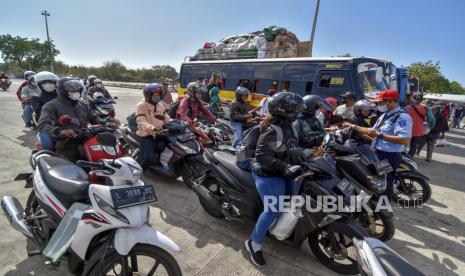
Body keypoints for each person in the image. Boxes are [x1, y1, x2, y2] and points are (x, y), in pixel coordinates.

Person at [245, 92, 306, 267]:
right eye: (295, 109)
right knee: (273, 209)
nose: (298, 112)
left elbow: (294, 147)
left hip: (286, 172)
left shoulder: (292, 127)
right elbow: (263, 156)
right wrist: (285, 167)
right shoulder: (272, 130)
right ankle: (254, 243)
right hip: (269, 174)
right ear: (285, 110)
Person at [343, 90, 412, 200]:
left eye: (380, 103)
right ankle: (376, 205)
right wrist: (353, 126)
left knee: (385, 184)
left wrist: (380, 135)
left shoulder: (402, 117)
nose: (378, 105)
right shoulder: (385, 115)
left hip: (389, 156)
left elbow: (405, 140)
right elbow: (371, 130)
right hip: (378, 153)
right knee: (378, 182)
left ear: (390, 101)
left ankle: (384, 210)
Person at [38, 77, 99, 162]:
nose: (76, 91)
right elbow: (43, 125)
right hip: (67, 143)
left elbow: (93, 119)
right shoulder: (51, 106)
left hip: (86, 138)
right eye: (72, 90)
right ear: (62, 91)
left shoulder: (82, 104)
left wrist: (108, 122)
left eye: (77, 89)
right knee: (69, 170)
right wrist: (60, 131)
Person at [135, 83, 172, 171]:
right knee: (149, 157)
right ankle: (139, 173)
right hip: (147, 134)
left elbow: (167, 118)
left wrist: (176, 123)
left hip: (160, 133)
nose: (157, 96)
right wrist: (152, 129)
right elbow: (141, 121)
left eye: (159, 94)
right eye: (155, 95)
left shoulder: (160, 106)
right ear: (148, 95)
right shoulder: (141, 105)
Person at [406, 92, 435, 157]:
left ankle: (402, 158)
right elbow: (432, 120)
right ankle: (410, 158)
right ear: (422, 100)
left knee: (403, 144)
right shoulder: (426, 108)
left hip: (406, 129)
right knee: (413, 146)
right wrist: (431, 127)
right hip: (418, 130)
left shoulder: (406, 107)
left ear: (412, 98)